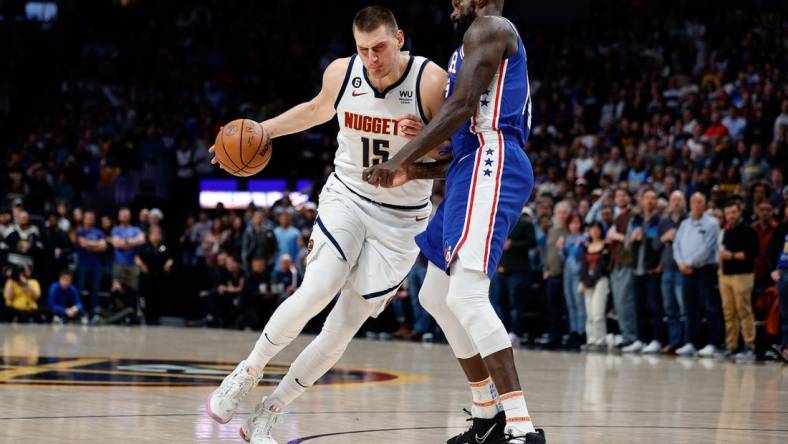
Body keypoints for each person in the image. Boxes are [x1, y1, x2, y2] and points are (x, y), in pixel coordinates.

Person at [205, 7, 450, 444]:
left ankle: (268, 411)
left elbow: (457, 159)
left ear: (399, 38)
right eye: (363, 49)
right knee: (317, 287)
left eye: (379, 48)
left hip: (401, 220)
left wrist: (428, 144)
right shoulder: (343, 72)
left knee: (342, 329)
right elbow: (316, 110)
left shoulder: (429, 82)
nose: (372, 58)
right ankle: (247, 371)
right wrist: (259, 130)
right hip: (348, 197)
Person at [365, 1, 545, 442]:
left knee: (467, 294)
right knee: (436, 295)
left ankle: (521, 427)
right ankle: (487, 415)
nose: (452, 5)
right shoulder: (471, 42)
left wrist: (401, 157)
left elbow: (464, 106)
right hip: (472, 162)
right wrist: (414, 169)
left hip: (493, 156)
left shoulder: (491, 27)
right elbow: (459, 140)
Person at [673, 192, 724, 358]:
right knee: (689, 308)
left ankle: (713, 343)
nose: (696, 204)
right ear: (689, 204)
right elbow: (676, 245)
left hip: (704, 270)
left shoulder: (712, 224)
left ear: (705, 204)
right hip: (685, 271)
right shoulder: (684, 224)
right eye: (693, 201)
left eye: (700, 202)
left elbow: (708, 248)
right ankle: (691, 342)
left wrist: (690, 263)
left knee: (710, 307)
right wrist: (681, 263)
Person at [718, 200, 759, 360]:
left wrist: (732, 256)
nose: (730, 216)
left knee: (744, 311)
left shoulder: (748, 230)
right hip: (725, 276)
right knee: (728, 313)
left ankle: (750, 346)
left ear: (739, 212)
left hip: (743, 275)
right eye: (728, 213)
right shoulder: (726, 231)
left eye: (733, 212)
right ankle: (731, 346)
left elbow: (750, 254)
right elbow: (722, 253)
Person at [491, 206, 537, 344]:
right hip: (501, 270)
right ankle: (502, 331)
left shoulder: (526, 224)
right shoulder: (499, 225)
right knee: (499, 301)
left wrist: (513, 244)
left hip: (517, 270)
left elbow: (532, 242)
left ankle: (515, 332)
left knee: (515, 302)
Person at [630, 187, 665, 354]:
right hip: (637, 268)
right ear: (641, 201)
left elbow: (662, 245)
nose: (650, 201)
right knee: (639, 307)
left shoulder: (660, 221)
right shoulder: (636, 219)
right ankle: (641, 340)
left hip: (652, 269)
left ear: (656, 202)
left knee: (655, 306)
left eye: (653, 198)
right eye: (647, 198)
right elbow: (627, 244)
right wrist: (632, 238)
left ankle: (657, 340)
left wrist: (660, 264)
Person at [606, 188, 639, 351]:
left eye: (622, 195)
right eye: (617, 195)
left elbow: (634, 238)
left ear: (629, 198)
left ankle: (631, 338)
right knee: (619, 304)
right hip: (615, 263)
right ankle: (625, 335)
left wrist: (616, 236)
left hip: (628, 262)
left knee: (626, 302)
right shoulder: (617, 217)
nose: (619, 198)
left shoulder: (635, 216)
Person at [657, 191, 687, 354]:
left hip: (682, 269)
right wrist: (664, 238)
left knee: (684, 308)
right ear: (669, 202)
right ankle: (675, 341)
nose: (676, 202)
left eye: (679, 200)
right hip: (667, 270)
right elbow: (655, 245)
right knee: (670, 308)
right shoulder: (663, 222)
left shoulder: (688, 221)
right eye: (673, 199)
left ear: (684, 202)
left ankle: (687, 342)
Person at [578, 222, 610, 350]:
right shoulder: (585, 247)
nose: (595, 231)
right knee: (589, 312)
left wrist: (591, 280)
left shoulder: (606, 246)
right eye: (592, 229)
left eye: (597, 229)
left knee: (598, 311)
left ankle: (600, 338)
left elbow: (603, 266)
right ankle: (590, 338)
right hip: (587, 282)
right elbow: (582, 266)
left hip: (600, 280)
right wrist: (584, 280)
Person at [135, 226, 174, 325]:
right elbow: (137, 258)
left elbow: (170, 258)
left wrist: (168, 263)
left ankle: (156, 318)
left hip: (159, 276)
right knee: (146, 296)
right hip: (146, 276)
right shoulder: (144, 246)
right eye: (154, 234)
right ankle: (146, 317)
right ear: (150, 235)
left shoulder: (163, 247)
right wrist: (142, 266)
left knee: (158, 297)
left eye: (158, 234)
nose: (156, 236)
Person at [543, 201, 570, 349]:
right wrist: (545, 268)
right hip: (551, 274)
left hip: (565, 275)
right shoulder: (552, 231)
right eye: (560, 212)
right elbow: (547, 252)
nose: (562, 215)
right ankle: (554, 336)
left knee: (564, 308)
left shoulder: (570, 231)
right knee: (552, 308)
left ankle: (565, 335)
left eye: (565, 212)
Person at [75, 210, 107, 321]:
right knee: (80, 290)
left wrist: (90, 245)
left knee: (95, 290)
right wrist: (96, 245)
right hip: (83, 265)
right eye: (87, 218)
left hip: (96, 265)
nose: (89, 220)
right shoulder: (80, 231)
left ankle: (92, 315)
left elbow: (104, 247)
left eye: (91, 218)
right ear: (84, 219)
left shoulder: (99, 232)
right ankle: (80, 314)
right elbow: (82, 244)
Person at [561, 212, 587, 349]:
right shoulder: (566, 239)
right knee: (570, 303)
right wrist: (561, 248)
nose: (575, 225)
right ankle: (574, 331)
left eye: (577, 223)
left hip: (578, 272)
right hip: (568, 273)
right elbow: (563, 257)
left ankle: (582, 332)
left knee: (579, 303)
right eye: (572, 223)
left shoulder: (584, 238)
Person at [767, 203, 788, 362]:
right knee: (784, 312)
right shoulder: (781, 228)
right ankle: (785, 346)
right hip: (782, 273)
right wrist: (772, 270)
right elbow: (772, 251)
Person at [110, 208, 146, 292]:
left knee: (134, 288)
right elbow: (116, 244)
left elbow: (142, 240)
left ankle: (132, 305)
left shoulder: (136, 229)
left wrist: (124, 242)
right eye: (122, 215)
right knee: (117, 289)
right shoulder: (115, 230)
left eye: (126, 215)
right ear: (119, 217)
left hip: (133, 263)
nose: (124, 217)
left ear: (129, 217)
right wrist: (133, 241)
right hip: (118, 263)